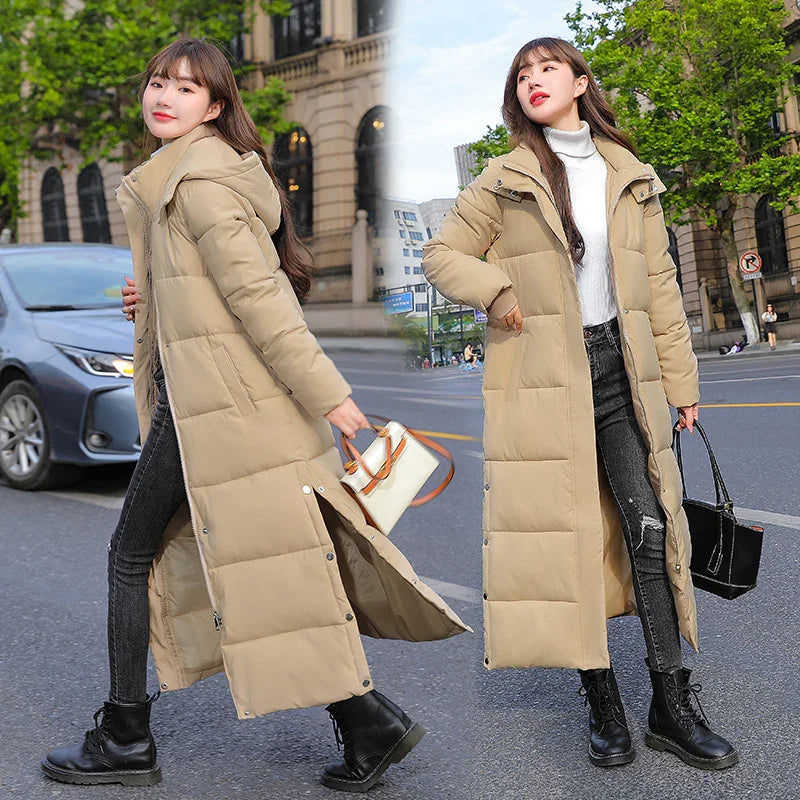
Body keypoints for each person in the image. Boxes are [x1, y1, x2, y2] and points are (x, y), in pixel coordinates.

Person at [41, 37, 468, 792]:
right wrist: (157, 299)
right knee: (277, 565)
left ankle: (125, 736)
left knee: (131, 555)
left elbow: (263, 302)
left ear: (214, 105)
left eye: (184, 88)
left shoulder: (196, 183)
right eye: (156, 82)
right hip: (214, 403)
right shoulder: (187, 178)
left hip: (214, 412)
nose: (162, 97)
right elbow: (217, 291)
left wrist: (333, 399)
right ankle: (368, 721)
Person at [423, 36, 738, 771]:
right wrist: (497, 290)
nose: (534, 80)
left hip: (623, 375)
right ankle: (601, 703)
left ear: (579, 82)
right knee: (569, 545)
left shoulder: (628, 176)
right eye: (523, 74)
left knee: (651, 531)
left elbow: (659, 285)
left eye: (548, 68)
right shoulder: (504, 179)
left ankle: (670, 702)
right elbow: (442, 256)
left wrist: (683, 384)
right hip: (544, 380)